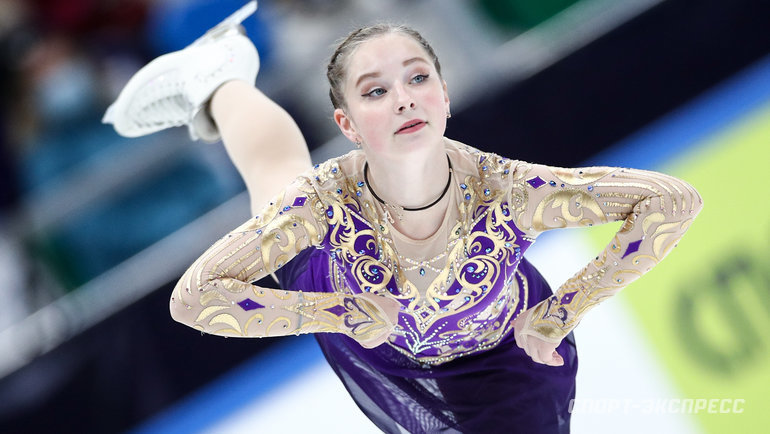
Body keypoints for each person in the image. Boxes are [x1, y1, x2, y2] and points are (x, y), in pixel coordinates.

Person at [104, 2, 703, 432]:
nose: (404, 99)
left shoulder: (511, 192)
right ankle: (221, 77)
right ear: (347, 124)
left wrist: (563, 310)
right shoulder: (322, 203)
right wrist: (333, 311)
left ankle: (221, 76)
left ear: (443, 95)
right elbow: (194, 298)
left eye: (418, 78)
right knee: (275, 180)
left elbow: (672, 202)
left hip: (505, 366)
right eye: (375, 91)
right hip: (364, 320)